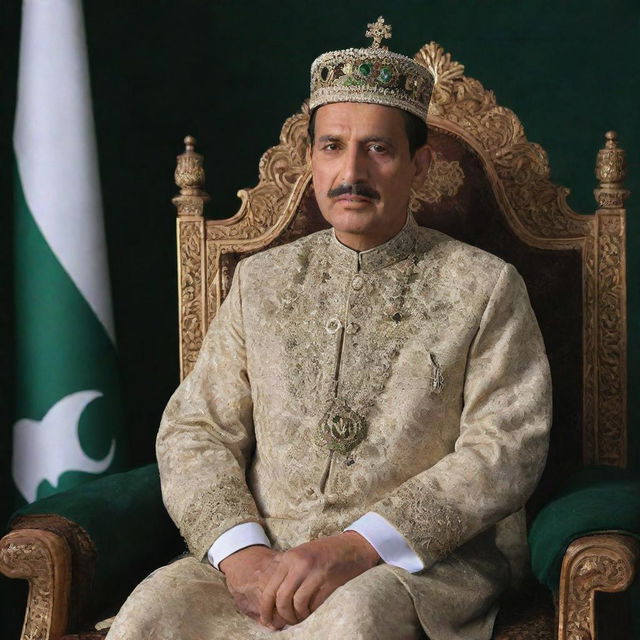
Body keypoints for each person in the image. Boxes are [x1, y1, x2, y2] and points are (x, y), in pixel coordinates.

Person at [107, 17, 551, 640]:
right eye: (332, 146)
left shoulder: (486, 286)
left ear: (419, 165)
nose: (352, 172)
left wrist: (356, 547)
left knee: (353, 620)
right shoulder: (259, 281)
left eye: (379, 147)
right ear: (310, 160)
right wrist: (241, 554)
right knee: (153, 613)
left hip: (411, 569)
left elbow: (506, 448)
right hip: (264, 557)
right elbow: (196, 429)